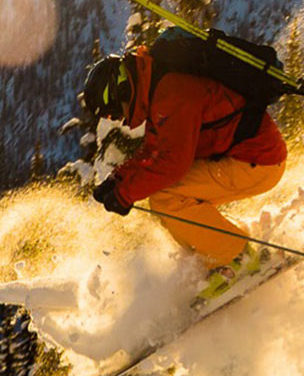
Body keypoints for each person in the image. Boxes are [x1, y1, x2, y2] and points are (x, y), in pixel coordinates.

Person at [83, 38, 287, 299]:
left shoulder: (170, 93)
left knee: (168, 197)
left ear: (122, 90)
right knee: (166, 198)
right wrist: (118, 180)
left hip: (257, 160)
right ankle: (218, 252)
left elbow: (172, 163)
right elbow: (155, 149)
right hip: (250, 157)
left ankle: (237, 258)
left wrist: (125, 193)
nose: (117, 119)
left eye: (113, 112)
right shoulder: (157, 88)